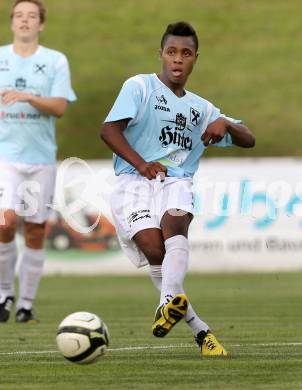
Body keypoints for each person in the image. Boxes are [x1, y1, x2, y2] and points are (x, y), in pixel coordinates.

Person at [100, 21, 255, 356]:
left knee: (176, 221)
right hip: (133, 182)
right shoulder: (139, 87)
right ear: (161, 54)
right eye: (172, 52)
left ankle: (165, 304)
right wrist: (141, 163)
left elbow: (249, 139)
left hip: (175, 180)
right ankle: (201, 331)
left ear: (195, 58)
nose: (178, 59)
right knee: (156, 251)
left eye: (186, 53)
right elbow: (109, 131)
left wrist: (225, 122)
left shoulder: (202, 109)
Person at [0, 0, 76, 323]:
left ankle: (26, 305)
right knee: (5, 222)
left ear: (41, 24)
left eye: (32, 16)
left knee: (34, 231)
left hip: (41, 158)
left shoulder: (56, 61)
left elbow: (60, 107)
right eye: (19, 15)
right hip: (6, 156)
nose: (25, 21)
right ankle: (4, 295)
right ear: (12, 22)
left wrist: (28, 97)